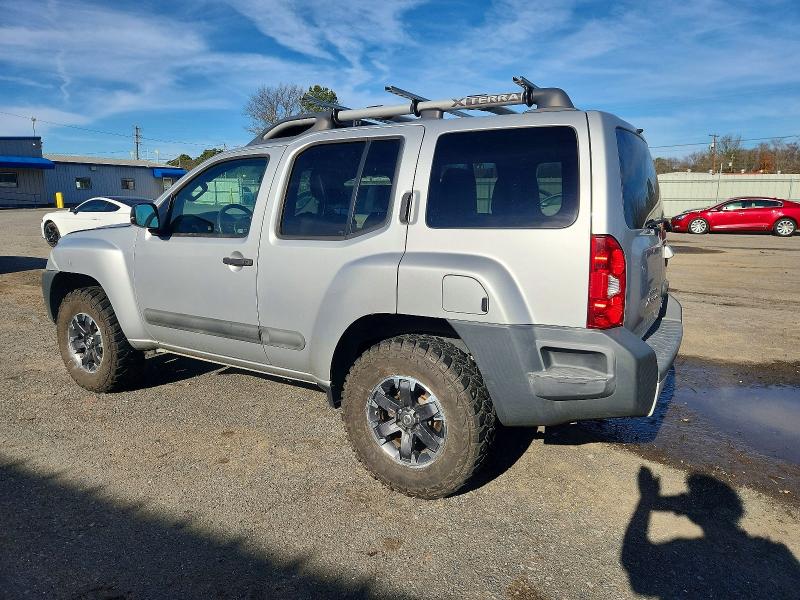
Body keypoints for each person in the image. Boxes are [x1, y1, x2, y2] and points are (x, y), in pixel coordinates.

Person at [621, 466, 799, 598]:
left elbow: (633, 559)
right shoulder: (777, 555)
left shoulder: (686, 550)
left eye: (689, 496)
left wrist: (646, 500)